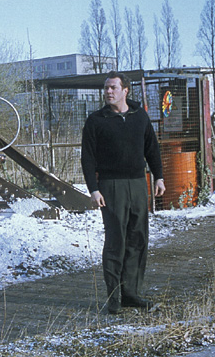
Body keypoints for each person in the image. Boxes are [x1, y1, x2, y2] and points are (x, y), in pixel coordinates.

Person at [81, 71, 165, 315]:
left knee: (138, 238)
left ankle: (131, 293)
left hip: (138, 184)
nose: (108, 91)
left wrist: (158, 176)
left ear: (125, 90)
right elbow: (87, 158)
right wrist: (93, 189)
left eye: (113, 88)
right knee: (116, 240)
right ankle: (114, 296)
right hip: (111, 186)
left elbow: (152, 148)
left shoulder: (140, 117)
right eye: (106, 88)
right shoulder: (96, 120)